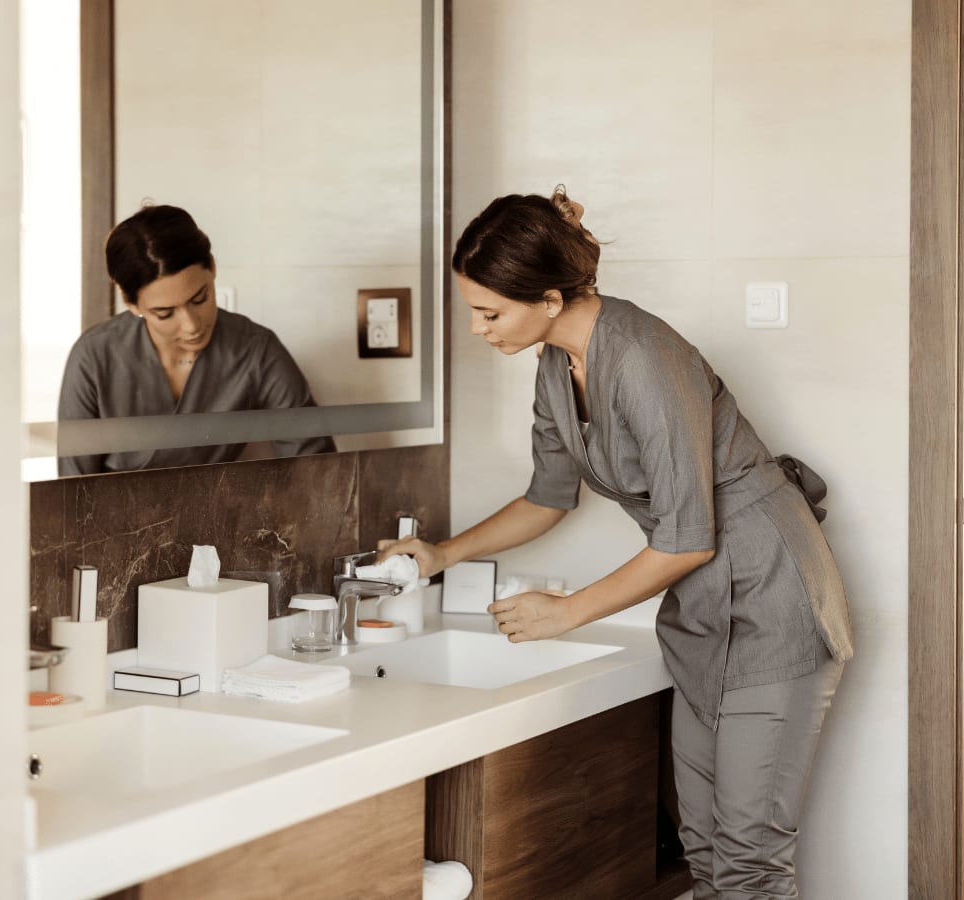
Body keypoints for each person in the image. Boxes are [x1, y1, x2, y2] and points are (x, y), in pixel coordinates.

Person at [378, 186, 852, 898]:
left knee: (750, 858)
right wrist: (444, 554)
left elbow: (688, 538)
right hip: (699, 615)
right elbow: (548, 496)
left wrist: (567, 613)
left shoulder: (646, 359)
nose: (478, 329)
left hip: (772, 602)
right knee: (706, 851)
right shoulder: (555, 365)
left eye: (489, 312)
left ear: (547, 297)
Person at [57, 204, 335, 475]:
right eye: (164, 313)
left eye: (200, 298)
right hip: (110, 518)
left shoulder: (256, 350)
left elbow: (315, 467)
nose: (191, 326)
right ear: (132, 304)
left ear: (212, 267)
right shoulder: (93, 357)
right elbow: (71, 490)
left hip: (218, 513)